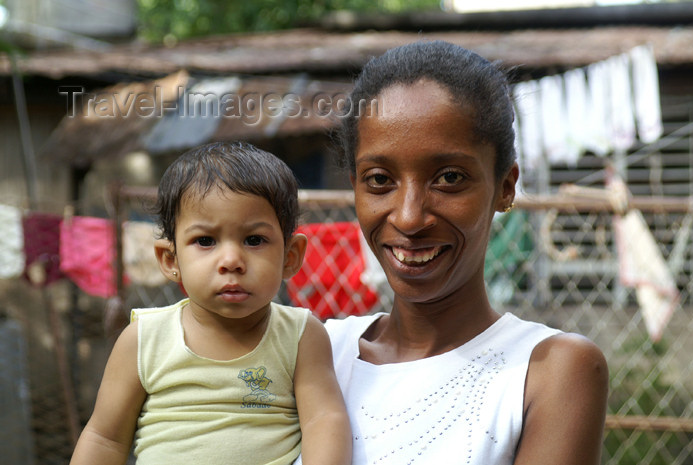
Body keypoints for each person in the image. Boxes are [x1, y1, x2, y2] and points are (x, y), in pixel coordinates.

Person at [309, 40, 609, 465]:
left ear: (505, 187)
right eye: (379, 180)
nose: (410, 218)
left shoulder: (545, 370)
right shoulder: (316, 354)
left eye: (449, 178)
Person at [70, 141, 352, 465]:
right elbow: (104, 438)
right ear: (169, 258)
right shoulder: (143, 339)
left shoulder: (301, 336)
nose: (231, 260)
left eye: (254, 240)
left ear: (290, 257)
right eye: (205, 241)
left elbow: (324, 420)